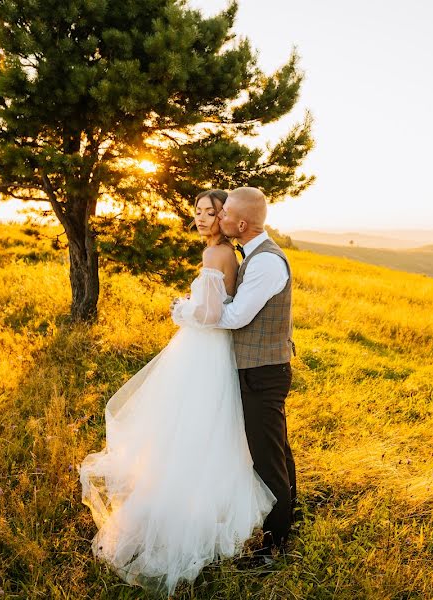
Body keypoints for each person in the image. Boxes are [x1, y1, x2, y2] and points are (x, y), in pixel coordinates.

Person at [78, 189, 276, 596]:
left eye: (212, 212)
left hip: (204, 350)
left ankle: (176, 524)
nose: (203, 218)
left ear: (226, 217)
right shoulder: (227, 254)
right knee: (204, 432)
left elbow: (212, 314)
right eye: (199, 211)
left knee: (185, 433)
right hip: (212, 351)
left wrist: (180, 308)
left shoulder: (215, 255)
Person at [216, 187, 297, 561]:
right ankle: (290, 515)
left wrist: (193, 311)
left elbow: (235, 317)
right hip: (260, 369)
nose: (220, 217)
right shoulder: (252, 255)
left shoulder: (265, 262)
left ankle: (275, 546)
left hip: (263, 374)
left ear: (242, 224)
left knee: (267, 461)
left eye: (226, 213)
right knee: (276, 449)